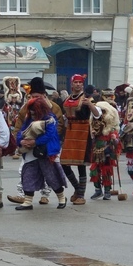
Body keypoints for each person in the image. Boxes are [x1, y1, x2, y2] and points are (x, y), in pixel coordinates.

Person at [13, 95, 67, 210]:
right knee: (28, 175)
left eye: (34, 112)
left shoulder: (50, 118)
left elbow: (50, 134)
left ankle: (61, 198)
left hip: (46, 152)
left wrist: (35, 142)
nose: (32, 115)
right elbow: (21, 131)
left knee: (52, 176)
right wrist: (21, 141)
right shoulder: (29, 118)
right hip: (30, 153)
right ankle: (27, 202)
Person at [58, 75, 91, 204]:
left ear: (82, 84)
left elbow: (96, 114)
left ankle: (81, 195)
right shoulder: (67, 98)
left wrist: (90, 105)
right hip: (70, 132)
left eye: (80, 82)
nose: (78, 84)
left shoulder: (87, 99)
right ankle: (77, 188)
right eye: (75, 82)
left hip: (83, 131)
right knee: (64, 163)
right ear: (72, 84)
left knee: (81, 165)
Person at [86, 90, 120, 200]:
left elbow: (115, 131)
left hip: (106, 145)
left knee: (106, 169)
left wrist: (114, 138)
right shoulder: (95, 119)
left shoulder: (110, 120)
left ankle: (107, 190)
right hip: (96, 145)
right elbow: (95, 116)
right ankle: (98, 190)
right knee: (94, 170)